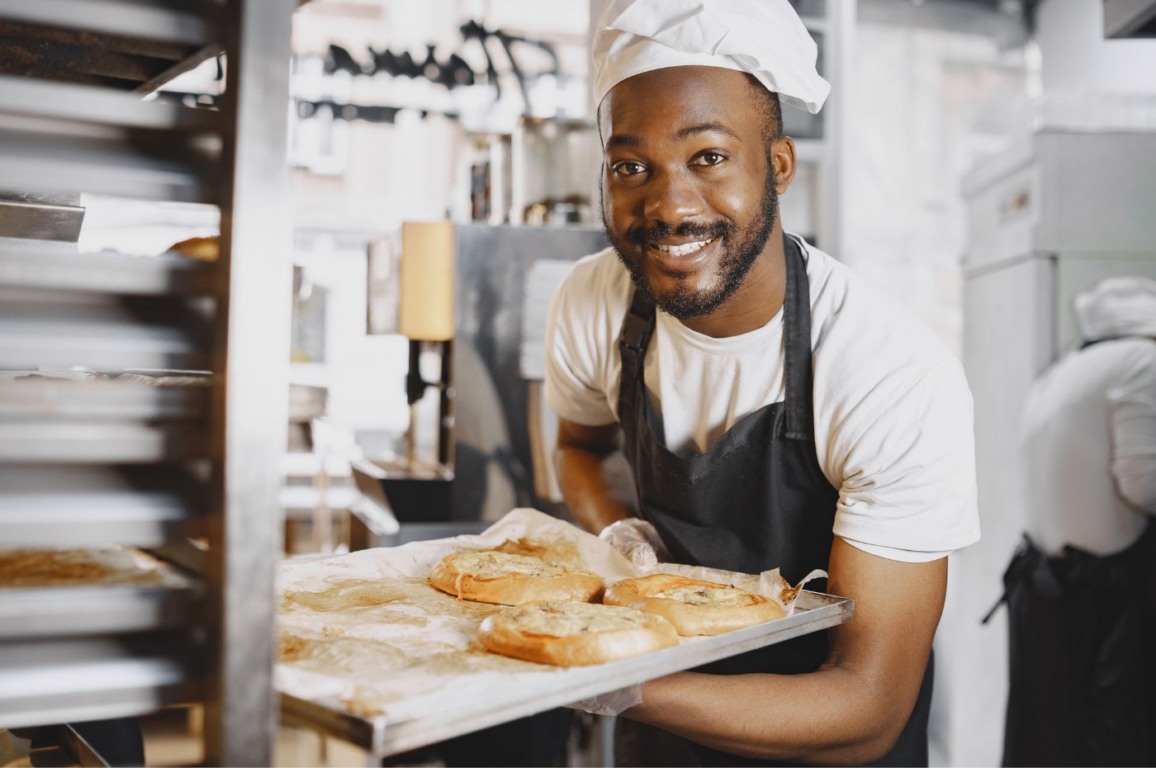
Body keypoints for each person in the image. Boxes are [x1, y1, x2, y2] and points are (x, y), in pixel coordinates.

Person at [543, 0, 981, 765]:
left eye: (708, 155)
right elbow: (578, 445)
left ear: (778, 163)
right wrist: (617, 530)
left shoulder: (887, 372)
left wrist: (606, 677)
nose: (669, 205)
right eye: (630, 167)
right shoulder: (594, 306)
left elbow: (866, 706)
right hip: (664, 743)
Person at [997, 277, 1156, 767]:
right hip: (1103, 598)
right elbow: (1144, 483)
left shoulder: (1063, 370)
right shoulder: (1142, 363)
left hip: (1045, 590)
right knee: (1107, 741)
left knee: (1049, 736)